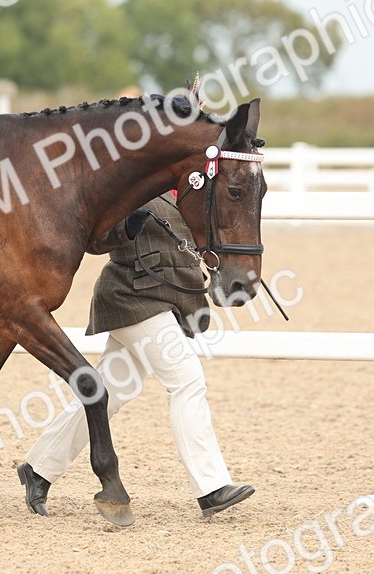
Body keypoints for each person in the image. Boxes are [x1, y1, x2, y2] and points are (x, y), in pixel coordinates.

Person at [17, 194, 254, 518]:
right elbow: (97, 235)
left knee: (112, 391)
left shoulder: (188, 186)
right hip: (134, 294)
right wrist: (126, 227)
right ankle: (211, 487)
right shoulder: (135, 175)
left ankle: (38, 468)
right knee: (186, 379)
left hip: (167, 297)